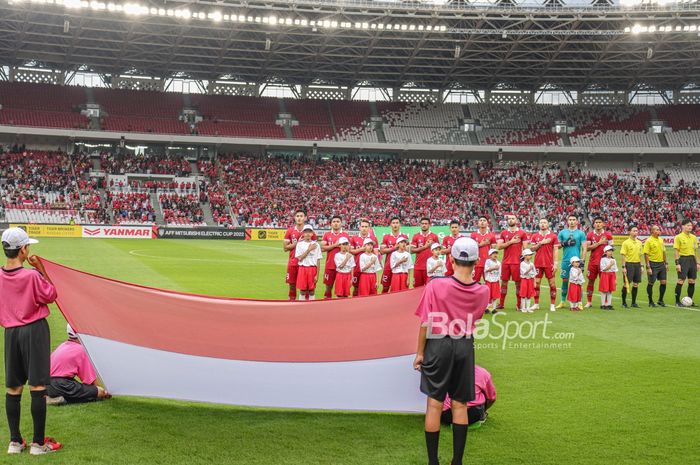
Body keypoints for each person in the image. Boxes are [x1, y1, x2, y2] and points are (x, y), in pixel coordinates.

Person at [413, 237, 489, 465]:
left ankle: (433, 462)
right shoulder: (483, 291)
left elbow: (425, 323)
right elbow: (477, 316)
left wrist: (419, 352)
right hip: (465, 344)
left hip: (438, 344)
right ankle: (457, 461)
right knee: (460, 404)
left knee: (435, 404)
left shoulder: (436, 285)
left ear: (451, 258)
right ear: (476, 261)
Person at [0, 227, 62, 455]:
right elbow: (51, 295)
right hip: (34, 330)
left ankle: (14, 442)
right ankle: (38, 444)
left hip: (11, 332)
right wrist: (42, 269)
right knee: (37, 386)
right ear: (23, 250)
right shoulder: (31, 275)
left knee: (13, 387)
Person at [46, 324, 111, 405]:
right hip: (61, 384)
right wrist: (102, 391)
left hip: (47, 384)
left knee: (83, 390)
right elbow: (89, 381)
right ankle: (58, 399)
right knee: (98, 392)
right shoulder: (81, 350)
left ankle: (55, 397)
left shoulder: (63, 345)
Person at [496, 214, 529, 310]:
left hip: (517, 262)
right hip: (506, 262)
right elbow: (499, 247)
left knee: (518, 284)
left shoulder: (522, 233)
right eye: (509, 219)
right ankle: (501, 304)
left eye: (512, 218)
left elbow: (525, 249)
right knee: (504, 283)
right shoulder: (503, 233)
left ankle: (519, 305)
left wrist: (525, 262)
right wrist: (511, 242)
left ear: (516, 220)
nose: (510, 220)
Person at [283, 210, 317, 301]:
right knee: (292, 285)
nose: (299, 218)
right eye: (297, 216)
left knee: (306, 286)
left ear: (305, 218)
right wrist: (297, 243)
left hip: (306, 264)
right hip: (293, 262)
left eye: (301, 216)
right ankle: (291, 303)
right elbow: (285, 248)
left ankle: (306, 305)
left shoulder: (311, 232)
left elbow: (315, 250)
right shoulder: (290, 231)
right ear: (294, 218)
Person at [529, 218, 560, 312]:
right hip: (537, 263)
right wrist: (541, 243)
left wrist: (555, 263)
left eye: (544, 223)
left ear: (548, 224)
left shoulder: (553, 236)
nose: (543, 224)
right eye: (541, 222)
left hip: (549, 263)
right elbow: (532, 249)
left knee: (552, 283)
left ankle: (552, 304)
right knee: (537, 283)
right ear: (538, 224)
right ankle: (536, 304)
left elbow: (556, 250)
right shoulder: (535, 236)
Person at [557, 215, 587, 309]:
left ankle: (580, 303)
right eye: (570, 220)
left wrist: (582, 261)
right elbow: (557, 246)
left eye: (574, 220)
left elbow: (584, 248)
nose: (572, 221)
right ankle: (562, 301)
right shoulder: (562, 232)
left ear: (577, 221)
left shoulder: (581, 233)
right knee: (565, 280)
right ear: (567, 221)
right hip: (566, 260)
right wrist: (565, 243)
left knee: (578, 282)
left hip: (577, 262)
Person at [583, 217, 614, 308]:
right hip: (593, 263)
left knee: (605, 282)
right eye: (596, 222)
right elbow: (587, 248)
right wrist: (599, 243)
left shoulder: (608, 235)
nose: (598, 224)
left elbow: (612, 249)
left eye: (600, 222)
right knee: (590, 282)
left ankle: (605, 302)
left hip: (604, 264)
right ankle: (589, 302)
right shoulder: (590, 234)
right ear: (594, 224)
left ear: (603, 224)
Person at [320, 216, 350, 299]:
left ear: (341, 223)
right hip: (330, 265)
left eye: (338, 221)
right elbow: (322, 248)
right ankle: (327, 306)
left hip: (343, 267)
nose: (336, 223)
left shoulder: (345, 235)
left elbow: (349, 249)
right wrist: (335, 245)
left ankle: (341, 308)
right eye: (334, 221)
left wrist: (342, 247)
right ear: (331, 223)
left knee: (342, 290)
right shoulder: (327, 234)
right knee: (328, 288)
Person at [673, 218, 699, 307]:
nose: (690, 227)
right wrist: (677, 264)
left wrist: (698, 263)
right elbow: (676, 251)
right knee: (681, 280)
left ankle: (690, 300)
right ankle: (677, 302)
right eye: (688, 225)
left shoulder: (694, 237)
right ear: (683, 226)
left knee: (692, 281)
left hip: (692, 260)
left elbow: (695, 252)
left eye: (691, 225)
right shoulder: (678, 237)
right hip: (683, 260)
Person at [380, 217, 409, 293]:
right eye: (393, 223)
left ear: (400, 225)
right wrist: (394, 248)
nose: (395, 225)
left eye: (397, 223)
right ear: (390, 225)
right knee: (385, 287)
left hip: (401, 267)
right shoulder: (386, 237)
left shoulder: (404, 237)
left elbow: (408, 250)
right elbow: (382, 251)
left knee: (400, 288)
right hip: (388, 265)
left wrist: (402, 247)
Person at [350, 219, 379, 297]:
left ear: (369, 228)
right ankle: (355, 304)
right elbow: (351, 251)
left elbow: (376, 253)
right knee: (355, 288)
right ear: (359, 227)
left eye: (366, 227)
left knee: (370, 289)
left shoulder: (373, 239)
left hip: (369, 270)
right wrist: (361, 249)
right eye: (362, 226)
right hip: (357, 267)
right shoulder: (354, 238)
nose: (364, 228)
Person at [294, 225, 322, 301]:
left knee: (311, 291)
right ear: (303, 233)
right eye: (306, 232)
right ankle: (301, 307)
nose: (308, 234)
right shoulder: (299, 244)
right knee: (302, 291)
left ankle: (311, 308)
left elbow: (318, 260)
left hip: (312, 269)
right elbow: (299, 258)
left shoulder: (316, 245)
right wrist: (309, 250)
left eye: (309, 232)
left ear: (312, 233)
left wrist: (317, 275)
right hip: (302, 268)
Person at [411, 218, 440, 288]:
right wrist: (425, 247)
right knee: (416, 289)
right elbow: (412, 250)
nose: (424, 225)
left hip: (431, 267)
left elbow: (439, 252)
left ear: (429, 225)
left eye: (426, 224)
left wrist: (433, 244)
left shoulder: (434, 236)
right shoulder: (416, 236)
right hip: (418, 267)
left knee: (431, 289)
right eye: (422, 224)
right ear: (420, 225)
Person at [643, 225, 668, 307]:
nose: (659, 231)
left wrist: (666, 263)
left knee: (664, 282)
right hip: (652, 264)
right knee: (651, 282)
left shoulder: (661, 240)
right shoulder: (648, 241)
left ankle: (660, 300)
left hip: (661, 264)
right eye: (657, 230)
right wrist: (648, 267)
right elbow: (646, 254)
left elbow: (664, 252)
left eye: (659, 229)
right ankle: (650, 301)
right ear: (652, 231)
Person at [620, 225, 644, 308]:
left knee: (636, 284)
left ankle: (634, 302)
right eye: (634, 231)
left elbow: (640, 255)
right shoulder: (625, 243)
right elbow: (623, 255)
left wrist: (641, 266)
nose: (635, 232)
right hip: (629, 264)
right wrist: (623, 267)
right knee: (626, 283)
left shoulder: (640, 243)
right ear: (629, 232)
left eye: (636, 231)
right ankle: (624, 302)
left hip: (637, 264)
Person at [470, 216, 497, 283]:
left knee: (488, 282)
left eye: (484, 220)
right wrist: (480, 245)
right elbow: (470, 248)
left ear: (487, 223)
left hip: (487, 263)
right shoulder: (473, 235)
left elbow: (493, 251)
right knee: (474, 283)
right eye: (480, 220)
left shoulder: (492, 235)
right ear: (478, 223)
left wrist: (493, 263)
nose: (482, 222)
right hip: (476, 263)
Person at [599, 245, 618, 310]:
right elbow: (603, 269)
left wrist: (615, 280)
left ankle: (608, 304)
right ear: (605, 252)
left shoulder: (613, 260)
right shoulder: (603, 259)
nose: (611, 252)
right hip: (605, 275)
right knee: (604, 290)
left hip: (612, 275)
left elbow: (615, 270)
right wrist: (610, 265)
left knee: (610, 290)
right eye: (609, 251)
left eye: (611, 251)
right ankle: (603, 304)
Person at [483, 249, 501, 314]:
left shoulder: (498, 263)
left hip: (495, 281)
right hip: (489, 281)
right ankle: (487, 308)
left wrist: (498, 279)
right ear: (490, 255)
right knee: (488, 296)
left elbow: (499, 272)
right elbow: (486, 270)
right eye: (493, 254)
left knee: (495, 295)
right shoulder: (488, 261)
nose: (495, 255)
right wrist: (493, 268)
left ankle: (493, 309)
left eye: (496, 253)